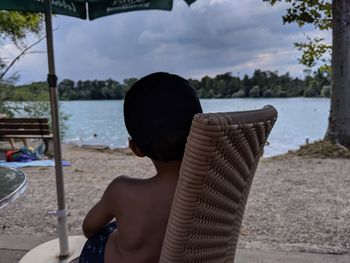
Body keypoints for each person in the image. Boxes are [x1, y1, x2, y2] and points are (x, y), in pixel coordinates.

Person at [79, 72, 203, 263]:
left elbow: (89, 228)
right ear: (200, 134)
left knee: (105, 233)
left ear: (135, 148)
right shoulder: (217, 187)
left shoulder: (121, 191)